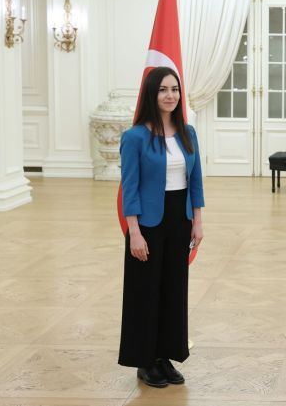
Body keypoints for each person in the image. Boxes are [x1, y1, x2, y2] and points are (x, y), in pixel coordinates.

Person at [118, 66, 205, 388]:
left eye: (175, 89)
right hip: (148, 223)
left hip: (180, 219)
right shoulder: (134, 137)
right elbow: (129, 187)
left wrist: (197, 221)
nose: (171, 95)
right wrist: (134, 232)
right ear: (151, 95)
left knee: (173, 289)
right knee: (145, 291)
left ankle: (166, 355)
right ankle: (145, 361)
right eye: (163, 90)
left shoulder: (188, 133)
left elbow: (196, 179)